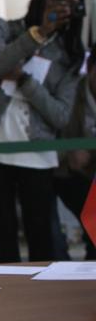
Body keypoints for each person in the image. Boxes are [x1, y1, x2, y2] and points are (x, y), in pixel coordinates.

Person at [0, 0, 86, 262]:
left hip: (38, 151)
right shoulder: (2, 27)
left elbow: (61, 115)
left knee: (41, 232)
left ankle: (43, 288)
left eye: (71, 3)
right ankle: (7, 288)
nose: (63, 7)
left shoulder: (70, 55)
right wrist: (39, 33)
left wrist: (24, 81)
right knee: (3, 230)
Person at [57, 49, 96, 259]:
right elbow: (55, 131)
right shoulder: (71, 92)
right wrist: (69, 153)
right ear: (89, 68)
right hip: (71, 174)